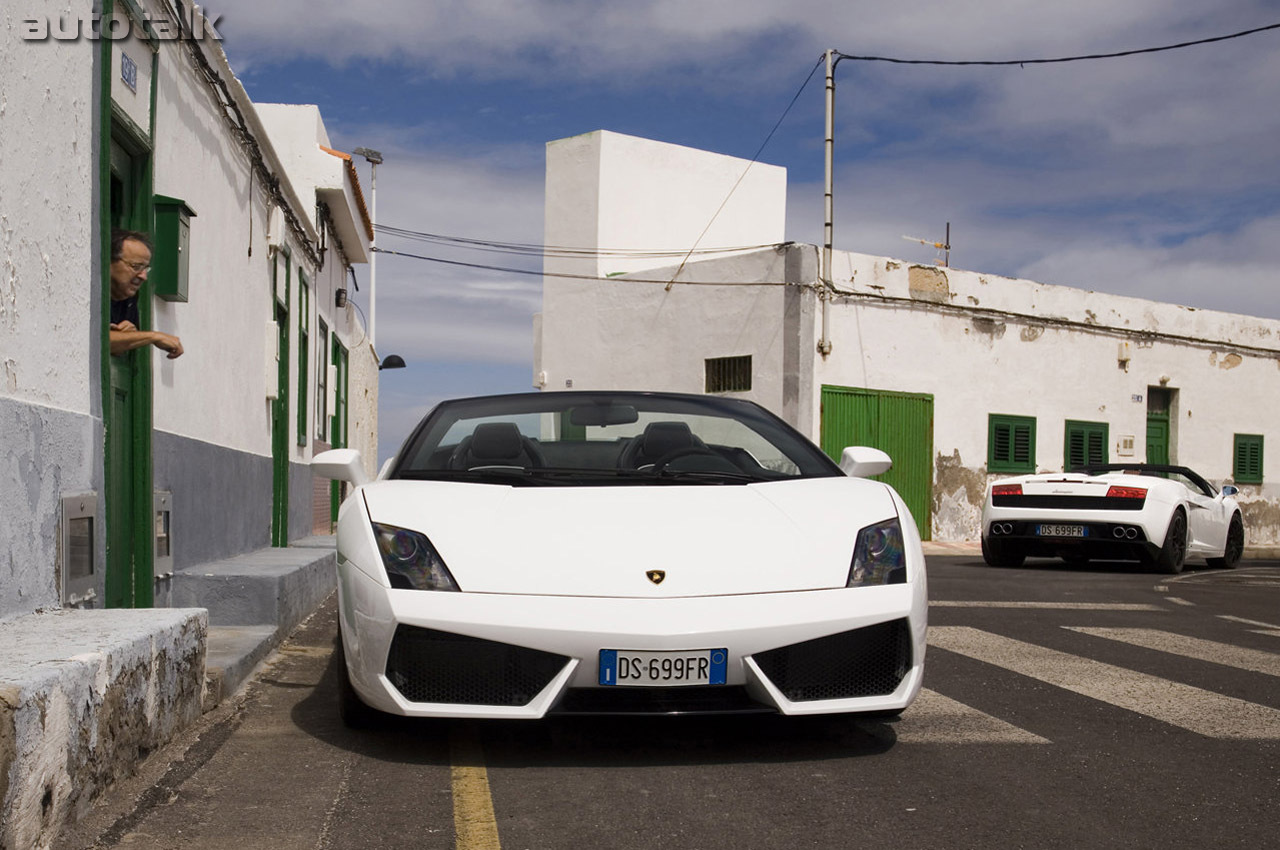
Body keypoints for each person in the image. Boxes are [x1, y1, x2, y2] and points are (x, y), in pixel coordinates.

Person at [109, 229, 183, 358]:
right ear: (109, 262)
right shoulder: (90, 294)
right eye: (136, 266)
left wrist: (129, 336)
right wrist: (153, 336)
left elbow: (118, 349)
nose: (144, 276)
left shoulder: (130, 298)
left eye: (145, 269)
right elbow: (97, 340)